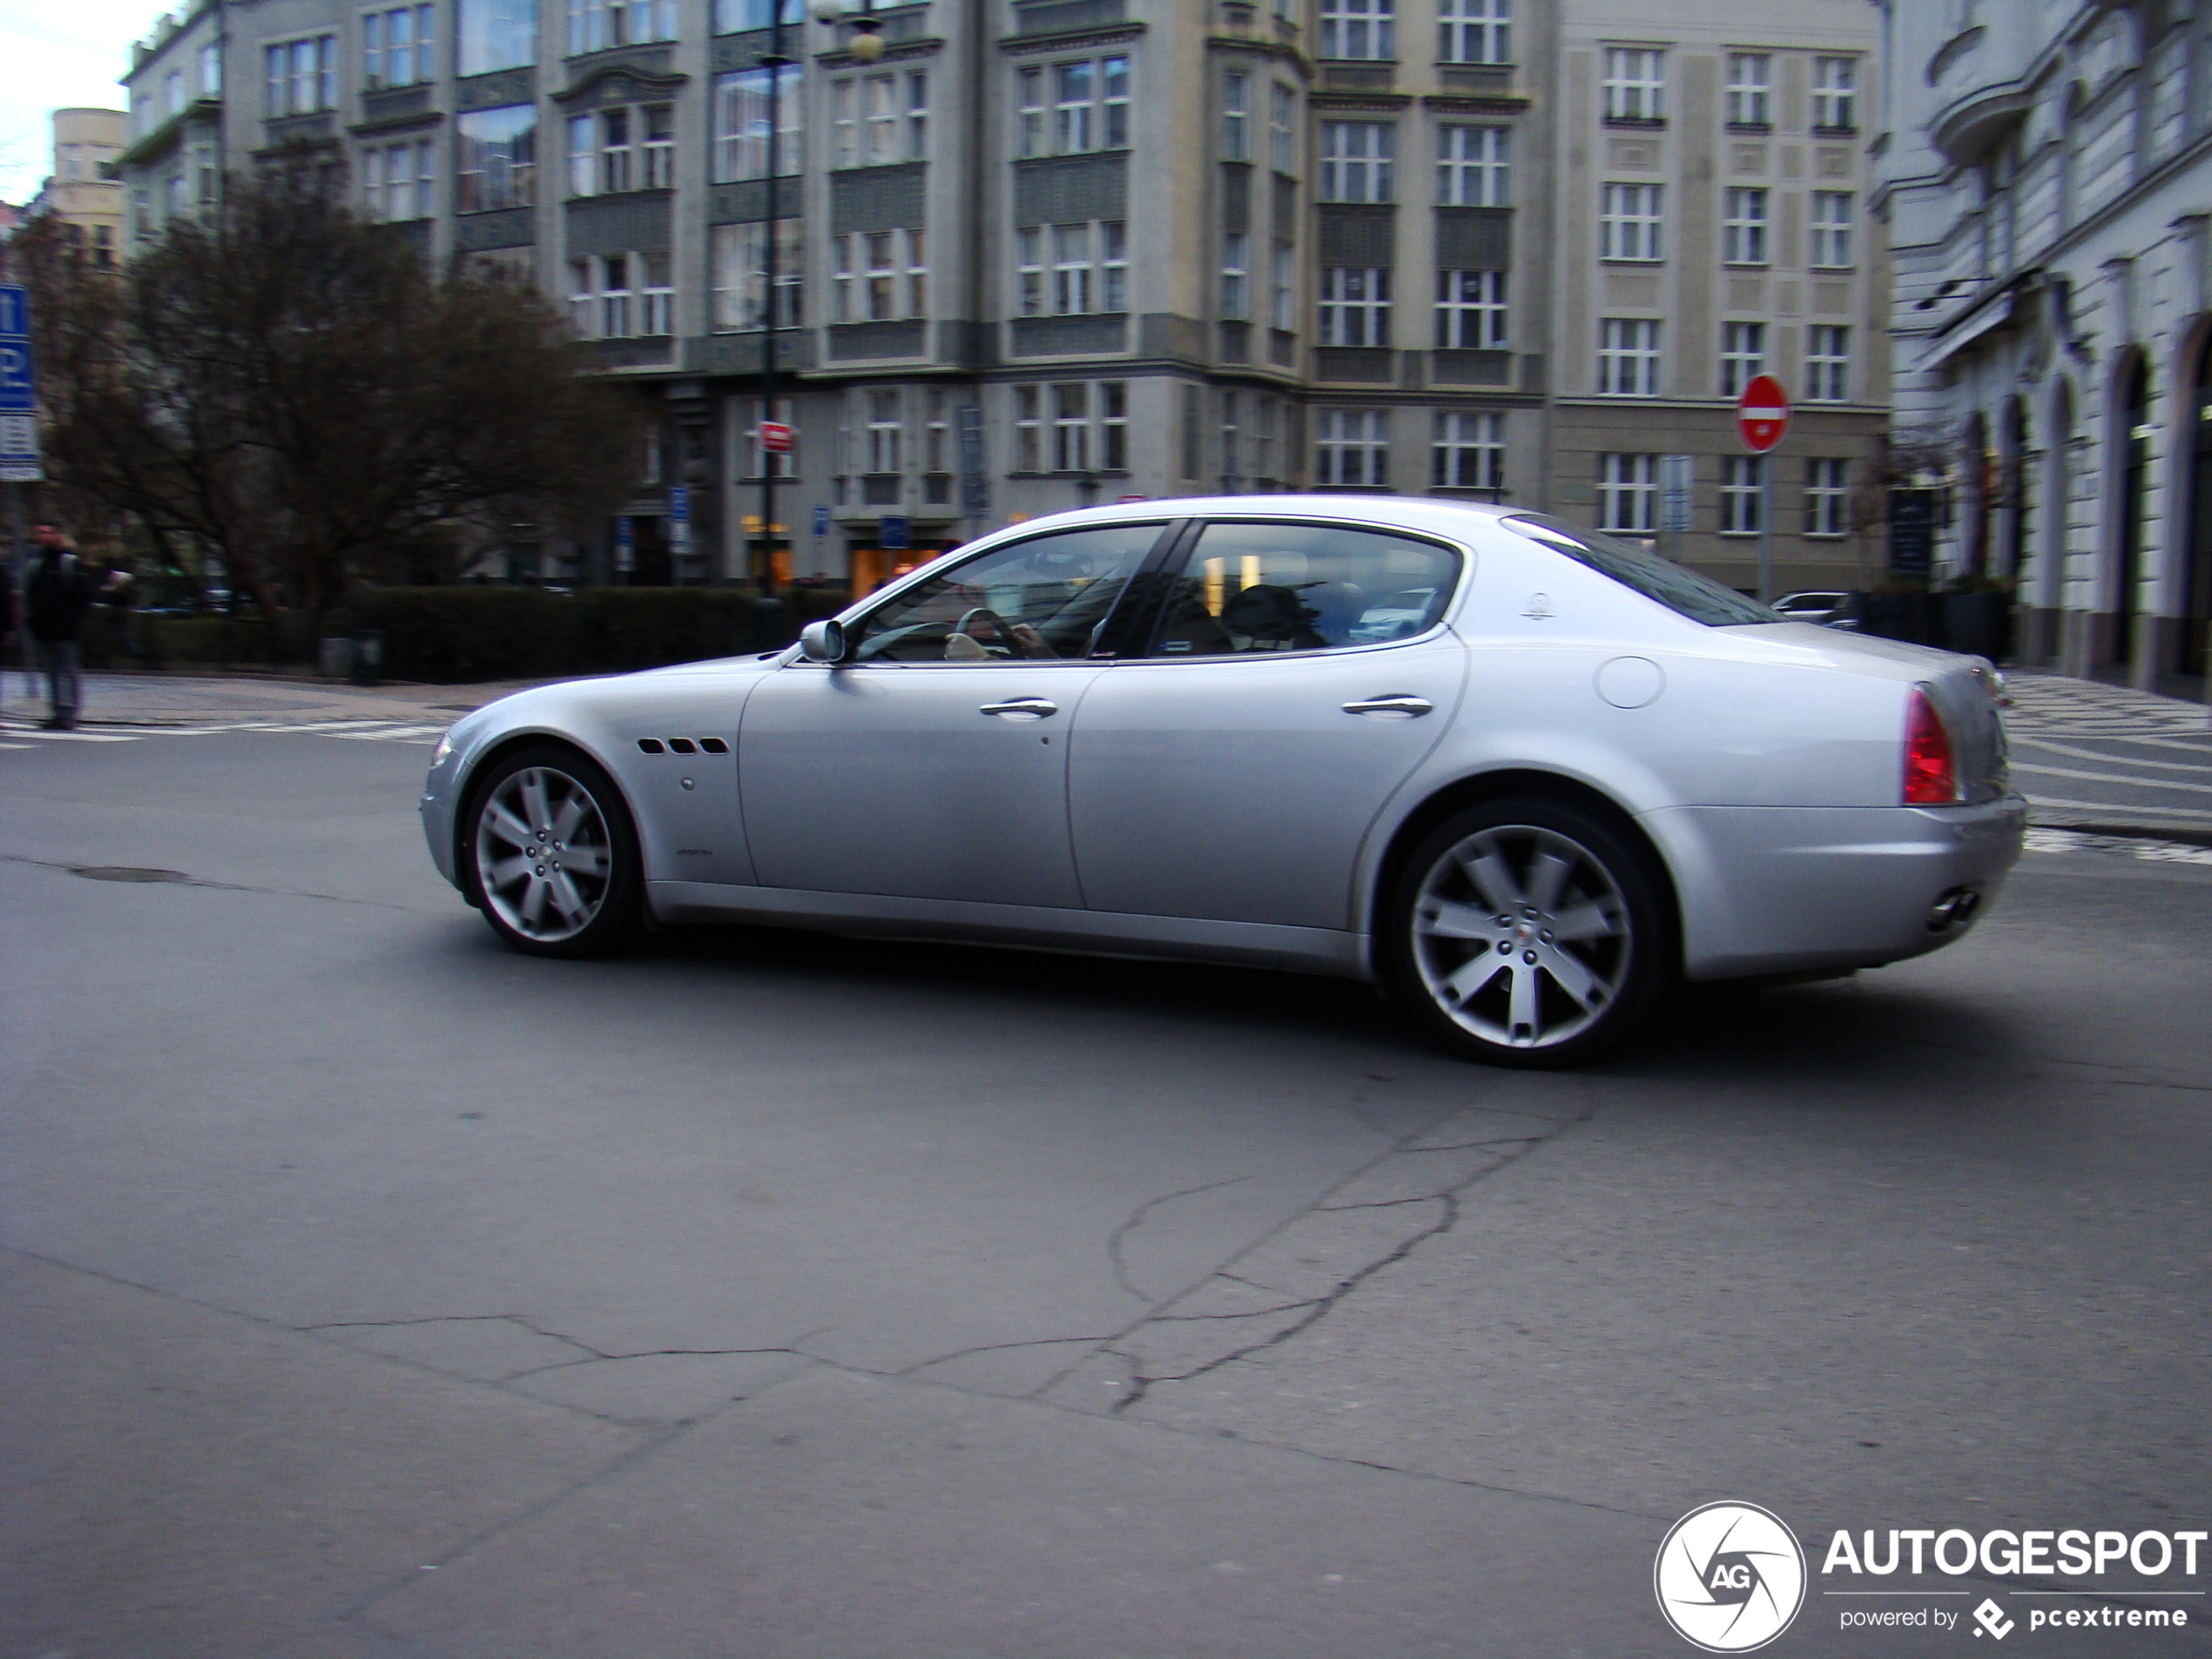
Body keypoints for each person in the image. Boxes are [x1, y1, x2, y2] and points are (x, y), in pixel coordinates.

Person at [24, 523, 94, 730]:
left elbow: (81, 596)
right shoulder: (35, 564)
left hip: (65, 629)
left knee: (68, 670)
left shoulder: (68, 562)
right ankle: (56, 711)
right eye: (39, 532)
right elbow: (31, 596)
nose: (42, 536)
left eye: (46, 532)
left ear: (57, 535)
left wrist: (73, 620)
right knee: (51, 672)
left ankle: (70, 712)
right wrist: (33, 621)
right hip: (44, 629)